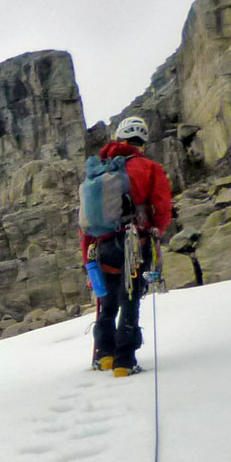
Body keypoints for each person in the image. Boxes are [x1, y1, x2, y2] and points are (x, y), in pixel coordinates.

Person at [84, 115, 174, 375]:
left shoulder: (102, 169)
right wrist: (157, 231)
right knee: (131, 298)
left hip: (102, 246)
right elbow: (162, 206)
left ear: (118, 139)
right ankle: (124, 361)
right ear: (142, 142)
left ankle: (104, 355)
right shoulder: (149, 167)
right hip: (136, 242)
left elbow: (87, 221)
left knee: (107, 301)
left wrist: (87, 256)